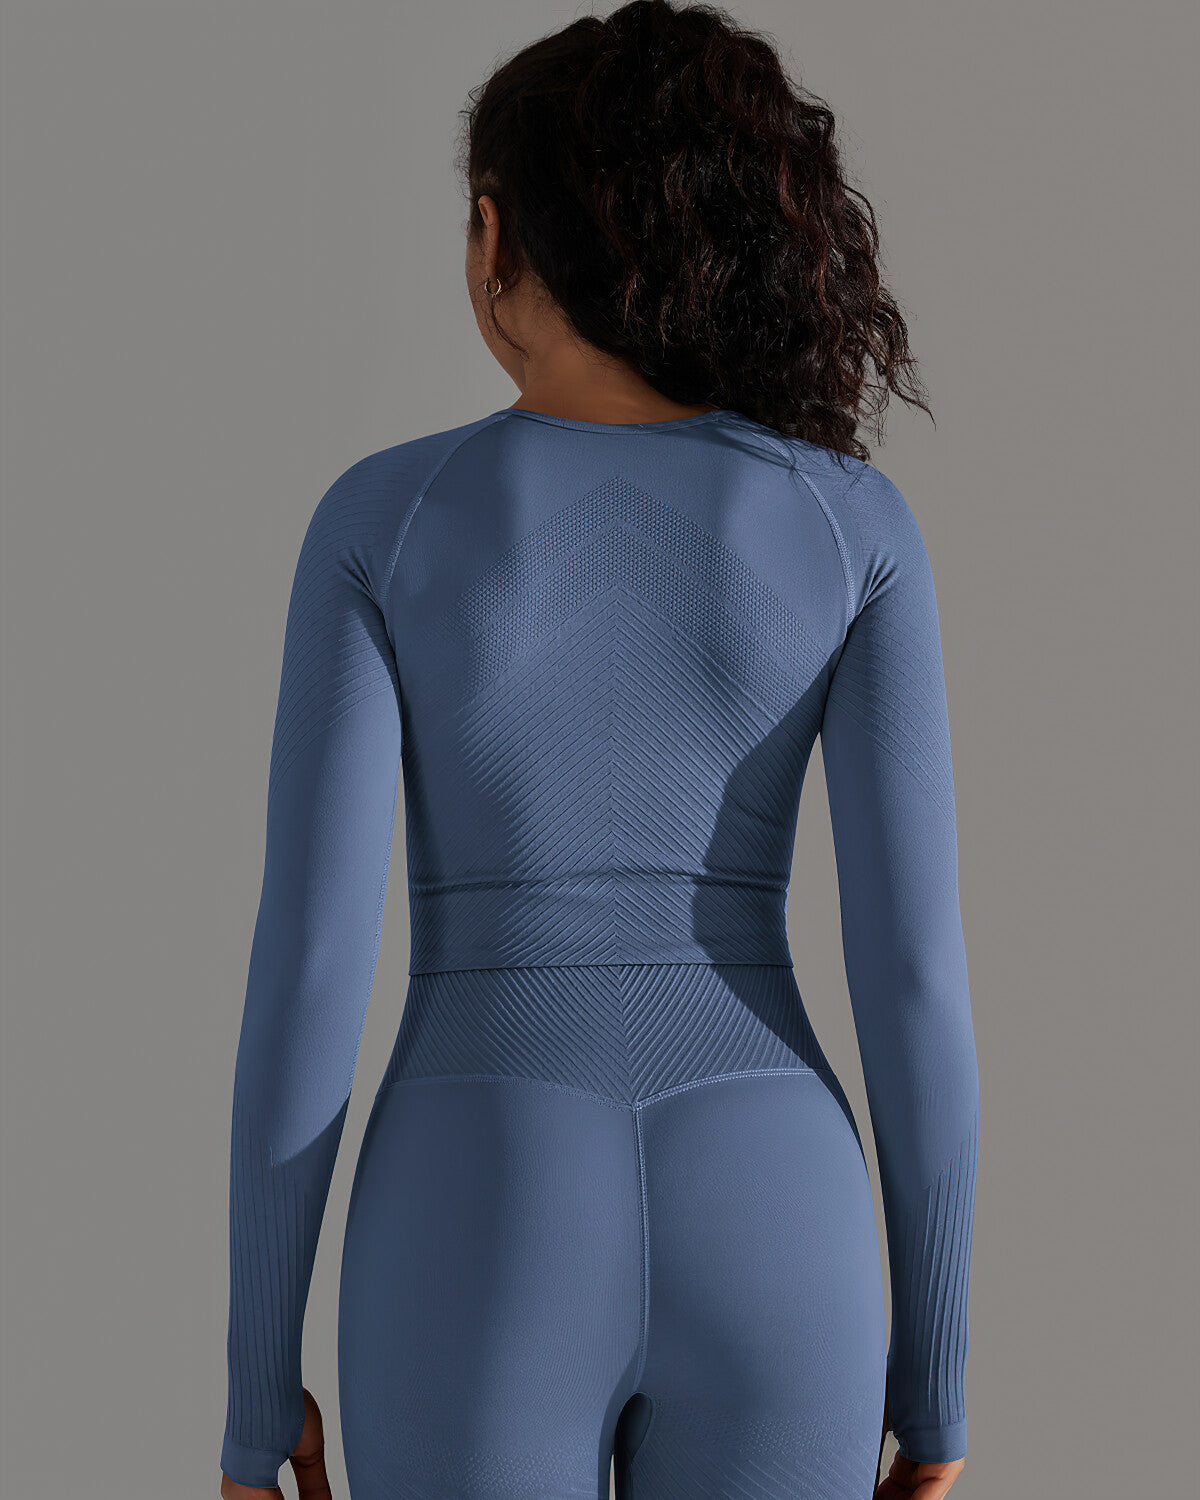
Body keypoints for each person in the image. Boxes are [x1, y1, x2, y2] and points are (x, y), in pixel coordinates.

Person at [218, 3, 980, 1497]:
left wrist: (256, 1401)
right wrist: (938, 1387)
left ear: (493, 238)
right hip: (781, 1213)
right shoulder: (851, 523)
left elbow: (310, 968)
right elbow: (914, 980)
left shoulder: (384, 520)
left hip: (477, 1196)